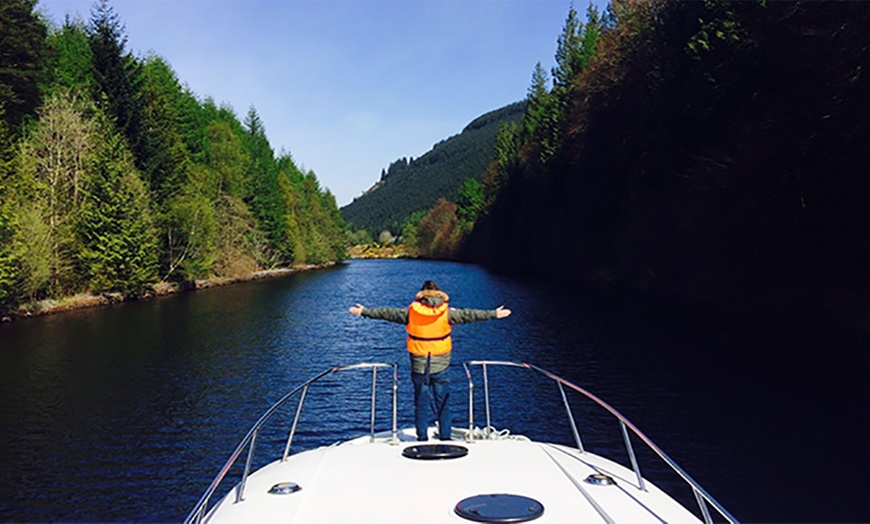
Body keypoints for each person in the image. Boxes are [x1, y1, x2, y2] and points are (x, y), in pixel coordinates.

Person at [348, 280, 511, 441]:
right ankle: (445, 438)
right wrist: (494, 314)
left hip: (419, 365)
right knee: (443, 404)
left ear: (421, 296)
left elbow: (386, 313)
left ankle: (422, 438)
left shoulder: (411, 312)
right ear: (439, 294)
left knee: (421, 403)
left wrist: (364, 311)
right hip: (441, 365)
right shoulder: (448, 313)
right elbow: (470, 315)